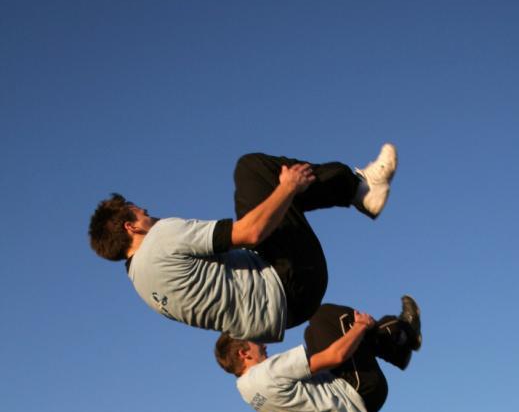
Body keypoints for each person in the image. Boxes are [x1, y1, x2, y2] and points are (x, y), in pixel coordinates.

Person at [88, 145, 398, 344]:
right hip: (292, 282)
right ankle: (359, 187)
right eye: (137, 209)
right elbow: (251, 232)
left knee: (258, 200)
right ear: (130, 225)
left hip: (287, 313)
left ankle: (354, 189)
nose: (145, 210)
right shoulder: (160, 238)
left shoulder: (142, 286)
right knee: (252, 169)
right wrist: (288, 188)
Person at [215, 296, 421, 412]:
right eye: (255, 342)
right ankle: (402, 332)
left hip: (356, 410)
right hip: (362, 389)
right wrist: (359, 326)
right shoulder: (266, 373)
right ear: (243, 353)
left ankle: (398, 348)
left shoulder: (248, 393)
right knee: (323, 316)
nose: (263, 344)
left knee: (312, 334)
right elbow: (335, 356)